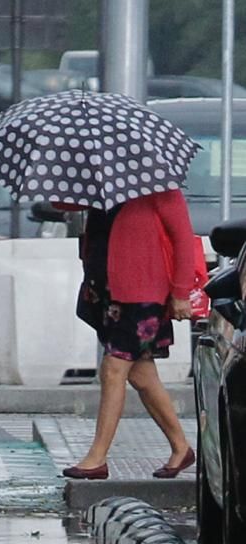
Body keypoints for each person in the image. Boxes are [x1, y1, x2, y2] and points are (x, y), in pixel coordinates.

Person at [62, 189, 197, 481]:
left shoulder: (160, 187)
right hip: (109, 294)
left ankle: (96, 458)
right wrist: (79, 180)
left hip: (144, 295)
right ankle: (181, 447)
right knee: (141, 375)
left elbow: (184, 238)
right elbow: (63, 204)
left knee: (113, 368)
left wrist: (181, 292)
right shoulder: (103, 185)